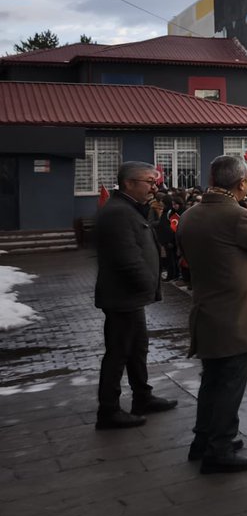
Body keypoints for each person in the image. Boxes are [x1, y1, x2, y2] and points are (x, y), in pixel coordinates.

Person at [176, 155, 247, 473]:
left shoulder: (190, 215)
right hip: (235, 316)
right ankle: (219, 448)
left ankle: (203, 440)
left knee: (212, 380)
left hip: (206, 310)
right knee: (230, 384)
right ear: (242, 183)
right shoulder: (237, 215)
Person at [93, 160, 178, 429]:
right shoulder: (118, 212)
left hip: (131, 298)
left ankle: (142, 396)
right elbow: (126, 258)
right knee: (118, 352)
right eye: (149, 182)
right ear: (129, 183)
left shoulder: (130, 209)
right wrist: (148, 284)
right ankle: (109, 410)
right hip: (123, 297)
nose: (154, 187)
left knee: (137, 349)